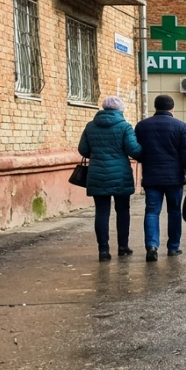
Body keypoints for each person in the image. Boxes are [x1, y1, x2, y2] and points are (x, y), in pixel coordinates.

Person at [77, 96, 143, 261]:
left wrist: (98, 154)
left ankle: (103, 251)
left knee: (101, 212)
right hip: (120, 174)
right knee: (122, 211)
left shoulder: (91, 126)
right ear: (120, 110)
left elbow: (83, 149)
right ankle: (123, 246)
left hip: (97, 173)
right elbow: (133, 149)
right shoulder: (124, 127)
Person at [134, 95, 186, 262]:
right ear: (172, 108)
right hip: (174, 178)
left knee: (152, 211)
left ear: (155, 107)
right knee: (174, 212)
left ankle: (152, 246)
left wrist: (144, 158)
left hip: (151, 176)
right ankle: (173, 247)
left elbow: (136, 150)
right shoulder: (180, 126)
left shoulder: (142, 126)